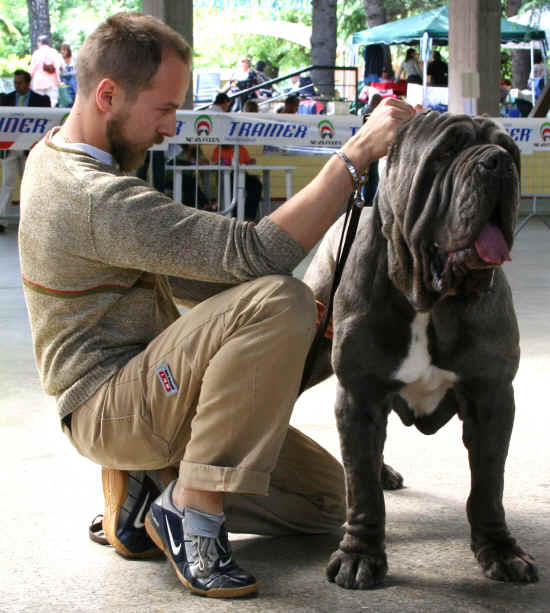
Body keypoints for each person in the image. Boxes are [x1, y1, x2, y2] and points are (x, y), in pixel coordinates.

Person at [18, 11, 413, 600]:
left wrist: (304, 324)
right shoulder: (92, 197)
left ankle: (149, 491)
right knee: (278, 299)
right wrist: (356, 155)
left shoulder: (59, 154)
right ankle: (190, 510)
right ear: (108, 95)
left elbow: (194, 278)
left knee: (328, 503)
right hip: (107, 404)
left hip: (148, 385)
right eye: (164, 109)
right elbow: (257, 252)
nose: (171, 128)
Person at [0, 70, 50, 232]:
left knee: (30, 183)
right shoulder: (5, 99)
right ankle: (2, 219)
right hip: (10, 149)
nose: (17, 86)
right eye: (15, 83)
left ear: (28, 83)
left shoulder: (41, 100)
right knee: (7, 183)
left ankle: (31, 221)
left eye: (20, 83)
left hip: (30, 149)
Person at [210, 143, 262, 221]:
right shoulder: (218, 149)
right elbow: (214, 165)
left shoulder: (241, 148)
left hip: (242, 174)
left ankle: (249, 216)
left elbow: (247, 162)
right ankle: (234, 215)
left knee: (256, 184)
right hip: (225, 175)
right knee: (232, 186)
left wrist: (250, 162)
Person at [29, 34, 62, 107]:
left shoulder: (37, 53)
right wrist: (58, 80)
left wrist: (28, 81)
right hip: (51, 81)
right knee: (52, 102)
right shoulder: (53, 52)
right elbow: (57, 67)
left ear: (40, 43)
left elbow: (32, 69)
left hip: (38, 82)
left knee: (38, 103)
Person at [59, 42, 78, 106]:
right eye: (62, 50)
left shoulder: (74, 58)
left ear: (68, 50)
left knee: (74, 85)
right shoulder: (59, 58)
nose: (63, 52)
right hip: (63, 78)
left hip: (73, 78)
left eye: (64, 50)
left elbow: (78, 68)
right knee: (66, 91)